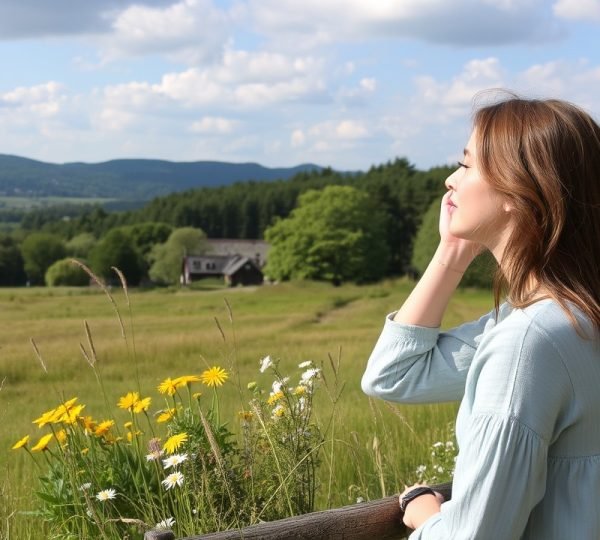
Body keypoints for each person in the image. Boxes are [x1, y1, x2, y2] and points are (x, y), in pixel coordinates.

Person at [361, 94, 600, 539]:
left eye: (467, 165)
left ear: (518, 192)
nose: (451, 180)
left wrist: (429, 516)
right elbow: (392, 375)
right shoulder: (569, 318)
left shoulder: (529, 342)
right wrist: (452, 253)